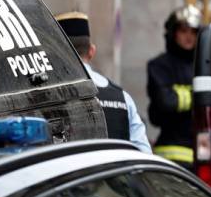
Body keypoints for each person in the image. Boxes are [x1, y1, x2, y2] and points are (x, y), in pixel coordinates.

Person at [56, 11, 151, 153]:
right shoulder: (122, 98)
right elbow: (143, 154)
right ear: (91, 51)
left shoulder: (48, 95)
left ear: (56, 54)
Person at [147, 4, 202, 167]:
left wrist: (180, 95)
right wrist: (201, 96)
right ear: (173, 33)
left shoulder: (206, 64)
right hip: (172, 154)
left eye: (193, 32)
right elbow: (166, 101)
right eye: (184, 31)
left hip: (205, 152)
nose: (189, 37)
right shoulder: (159, 66)